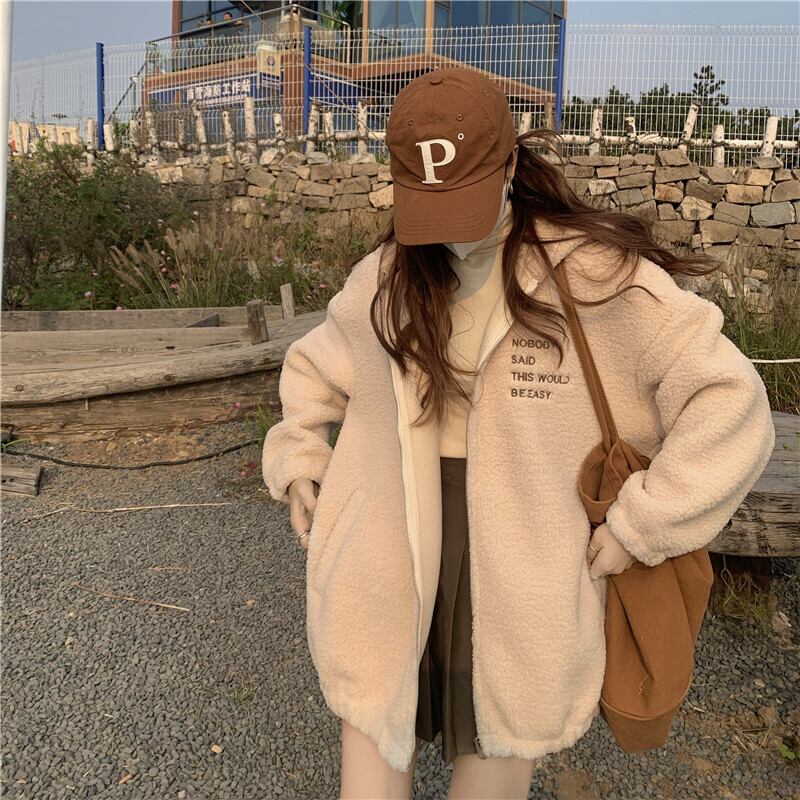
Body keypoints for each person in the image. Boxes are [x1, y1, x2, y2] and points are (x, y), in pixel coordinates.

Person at [261, 68, 775, 799]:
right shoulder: (386, 275)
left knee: (496, 761)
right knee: (370, 745)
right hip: (384, 549)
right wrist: (300, 455)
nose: (446, 232)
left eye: (463, 199)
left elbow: (730, 400)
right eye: (428, 205)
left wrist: (643, 524)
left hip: (526, 559)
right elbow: (316, 362)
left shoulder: (596, 275)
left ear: (509, 166)